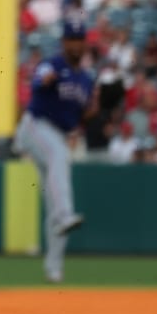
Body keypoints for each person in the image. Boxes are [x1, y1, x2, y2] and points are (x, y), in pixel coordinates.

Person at [13, 19, 96, 283]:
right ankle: (65, 214)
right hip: (35, 126)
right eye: (71, 38)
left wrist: (93, 112)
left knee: (54, 199)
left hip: (58, 134)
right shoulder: (53, 64)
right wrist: (43, 78)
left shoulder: (86, 80)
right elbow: (39, 79)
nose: (75, 43)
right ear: (63, 43)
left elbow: (81, 116)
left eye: (79, 38)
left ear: (84, 43)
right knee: (59, 157)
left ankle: (53, 268)